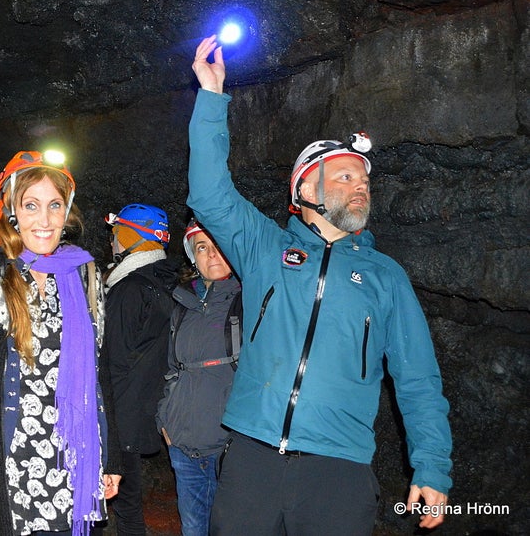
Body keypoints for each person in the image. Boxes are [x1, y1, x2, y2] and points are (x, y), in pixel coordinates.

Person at [187, 35, 453, 535]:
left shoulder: (386, 277)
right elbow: (208, 192)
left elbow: (418, 379)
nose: (360, 187)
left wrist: (432, 466)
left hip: (339, 469)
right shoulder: (264, 248)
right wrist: (212, 97)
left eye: (365, 182)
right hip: (252, 459)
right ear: (305, 189)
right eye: (346, 176)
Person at [0, 150, 123, 535]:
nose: (45, 219)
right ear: (12, 211)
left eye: (55, 205)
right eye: (31, 205)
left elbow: (100, 371)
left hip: (72, 457)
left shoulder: (86, 273)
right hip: (10, 455)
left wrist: (110, 453)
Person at [156, 219, 242, 536]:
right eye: (202, 247)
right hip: (183, 445)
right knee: (194, 529)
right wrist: (164, 419)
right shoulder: (183, 304)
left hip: (230, 448)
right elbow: (171, 368)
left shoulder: (249, 301)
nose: (211, 254)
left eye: (217, 244)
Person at [102, 204, 179, 535]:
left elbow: (111, 359)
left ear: (134, 235)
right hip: (144, 409)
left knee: (125, 508)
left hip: (121, 415)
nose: (112, 241)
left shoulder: (129, 289)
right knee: (128, 506)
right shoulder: (166, 284)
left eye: (117, 233)